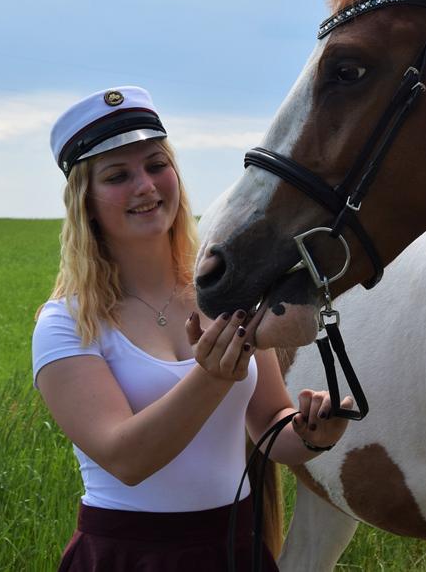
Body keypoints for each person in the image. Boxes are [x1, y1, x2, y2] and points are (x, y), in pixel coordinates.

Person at [32, 85, 353, 571]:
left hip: (233, 550)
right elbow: (127, 460)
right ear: (86, 202)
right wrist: (210, 378)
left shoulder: (226, 295)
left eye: (157, 165)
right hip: (130, 556)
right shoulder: (67, 324)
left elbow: (269, 423)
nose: (145, 186)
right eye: (118, 175)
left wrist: (313, 434)